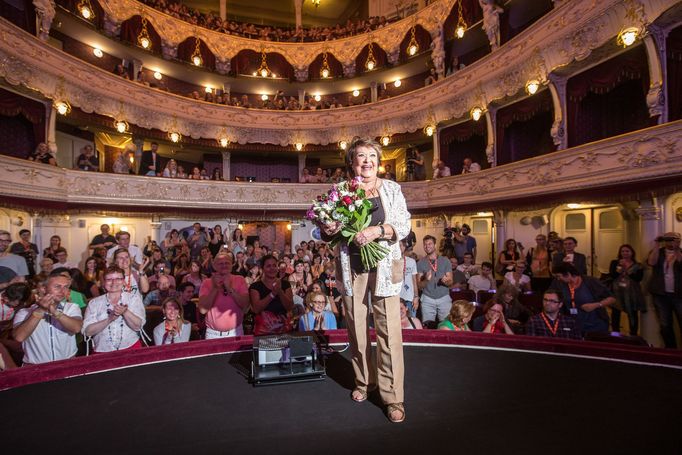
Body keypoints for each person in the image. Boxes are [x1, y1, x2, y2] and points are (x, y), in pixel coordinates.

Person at [320, 137, 410, 423]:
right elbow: (329, 231)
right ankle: (363, 382)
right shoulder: (340, 190)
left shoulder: (393, 189)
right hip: (352, 267)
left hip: (384, 267)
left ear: (378, 161)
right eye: (361, 156)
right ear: (352, 162)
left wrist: (377, 231)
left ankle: (393, 397)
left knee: (388, 333)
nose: (367, 160)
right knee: (357, 329)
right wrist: (329, 226)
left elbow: (404, 224)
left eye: (372, 155)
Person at [12, 272, 83, 364]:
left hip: (67, 364)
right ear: (44, 289)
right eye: (57, 286)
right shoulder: (24, 312)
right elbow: (19, 337)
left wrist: (54, 312)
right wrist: (41, 310)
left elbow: (76, 328)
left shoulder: (72, 307)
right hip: (36, 368)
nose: (62, 291)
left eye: (66, 287)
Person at [83, 266, 146, 353]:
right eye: (109, 279)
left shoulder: (133, 298)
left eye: (118, 278)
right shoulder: (94, 303)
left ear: (123, 281)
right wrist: (109, 319)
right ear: (104, 282)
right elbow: (88, 331)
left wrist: (125, 312)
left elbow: (138, 326)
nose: (114, 282)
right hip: (102, 351)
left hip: (131, 348)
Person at [551, 263, 615, 335]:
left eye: (559, 276)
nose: (558, 279)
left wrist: (596, 305)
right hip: (574, 326)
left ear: (568, 274)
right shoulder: (561, 284)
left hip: (595, 325)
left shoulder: (590, 281)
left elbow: (612, 298)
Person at [198, 252, 249, 338]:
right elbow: (202, 310)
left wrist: (229, 288)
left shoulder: (240, 279)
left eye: (227, 263)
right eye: (220, 263)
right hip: (213, 335)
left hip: (235, 332)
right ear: (214, 266)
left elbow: (245, 307)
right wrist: (215, 288)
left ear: (232, 265)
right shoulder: (206, 282)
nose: (224, 265)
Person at [646, 232, 682, 348]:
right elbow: (651, 262)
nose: (670, 241)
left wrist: (677, 249)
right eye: (667, 239)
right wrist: (656, 244)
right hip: (661, 294)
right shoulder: (659, 252)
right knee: (665, 325)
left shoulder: (680, 252)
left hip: (679, 294)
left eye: (673, 239)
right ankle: (671, 350)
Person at [250, 255, 294, 335]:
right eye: (268, 266)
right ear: (262, 269)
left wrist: (280, 291)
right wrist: (272, 294)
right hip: (263, 332)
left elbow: (290, 307)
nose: (272, 269)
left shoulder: (285, 284)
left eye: (274, 265)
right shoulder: (255, 286)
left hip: (283, 331)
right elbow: (256, 309)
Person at [608, 244, 646, 335]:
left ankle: (633, 335)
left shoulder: (638, 265)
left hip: (632, 293)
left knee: (632, 313)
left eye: (627, 251)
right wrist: (620, 267)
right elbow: (613, 275)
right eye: (623, 251)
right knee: (616, 313)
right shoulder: (614, 262)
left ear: (632, 253)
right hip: (617, 292)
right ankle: (615, 334)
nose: (625, 253)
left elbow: (638, 278)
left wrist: (627, 270)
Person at [417, 235, 453, 324]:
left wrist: (446, 281)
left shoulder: (445, 261)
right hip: (427, 299)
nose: (427, 246)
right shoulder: (420, 263)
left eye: (430, 244)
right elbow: (419, 285)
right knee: (427, 325)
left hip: (444, 297)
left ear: (435, 245)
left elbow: (451, 282)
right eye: (425, 244)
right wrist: (426, 280)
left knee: (446, 324)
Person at [399, 240, 419, 318]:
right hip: (397, 298)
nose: (398, 247)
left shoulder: (411, 261)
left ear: (404, 247)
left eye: (400, 245)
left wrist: (416, 297)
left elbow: (414, 281)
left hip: (409, 298)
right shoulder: (391, 262)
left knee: (412, 321)